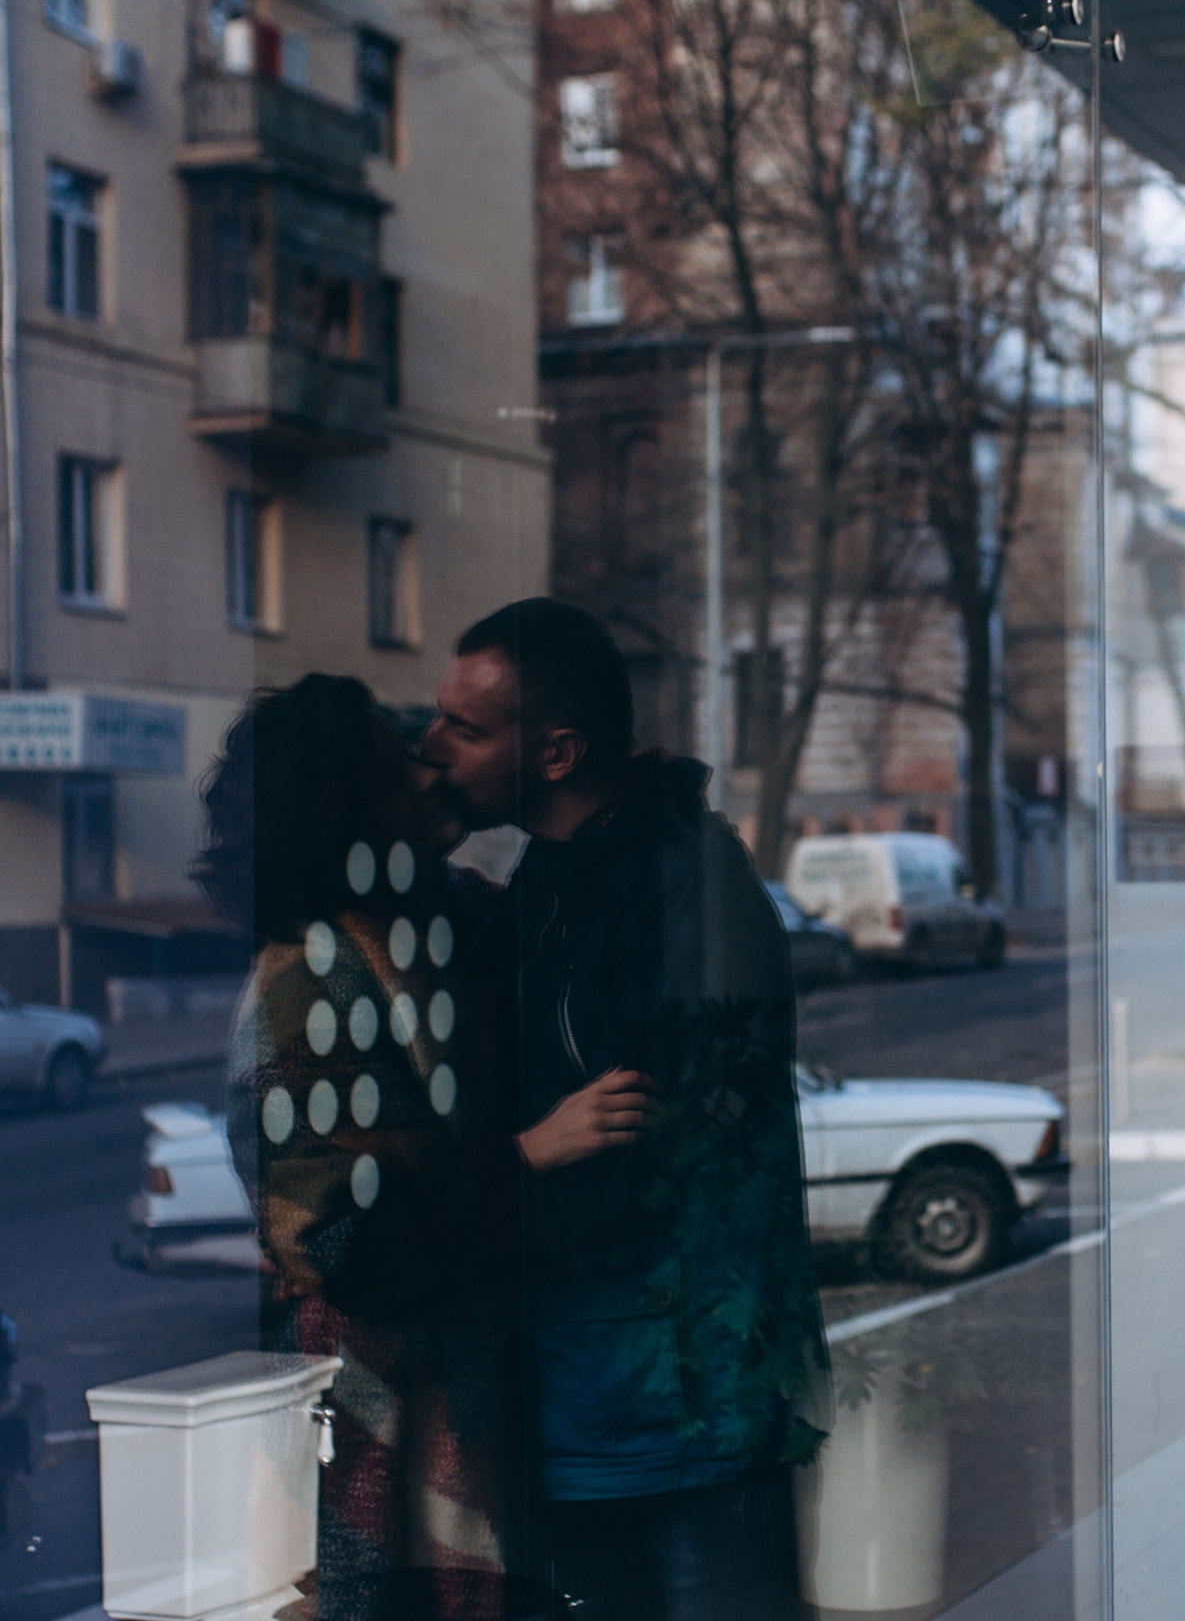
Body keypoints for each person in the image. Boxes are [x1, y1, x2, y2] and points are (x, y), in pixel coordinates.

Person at [420, 599, 826, 1621]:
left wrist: (471, 1192)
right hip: (589, 1395)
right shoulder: (551, 874)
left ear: (556, 752)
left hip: (681, 1407)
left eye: (465, 728)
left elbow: (678, 1151)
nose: (433, 745)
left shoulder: (682, 881)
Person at [202, 675, 528, 1621]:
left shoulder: (428, 932)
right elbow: (347, 1246)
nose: (428, 775)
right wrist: (528, 1159)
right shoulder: (309, 982)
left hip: (445, 1384)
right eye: (394, 772)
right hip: (379, 1404)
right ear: (339, 814)